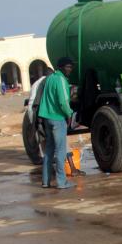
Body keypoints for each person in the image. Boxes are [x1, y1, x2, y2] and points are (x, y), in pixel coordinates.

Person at [38, 57, 75, 189]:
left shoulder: (50, 79)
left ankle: (45, 181)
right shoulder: (61, 80)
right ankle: (61, 182)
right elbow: (63, 101)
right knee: (60, 151)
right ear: (60, 67)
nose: (70, 70)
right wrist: (69, 114)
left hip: (46, 118)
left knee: (48, 150)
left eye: (71, 67)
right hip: (58, 119)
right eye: (68, 67)